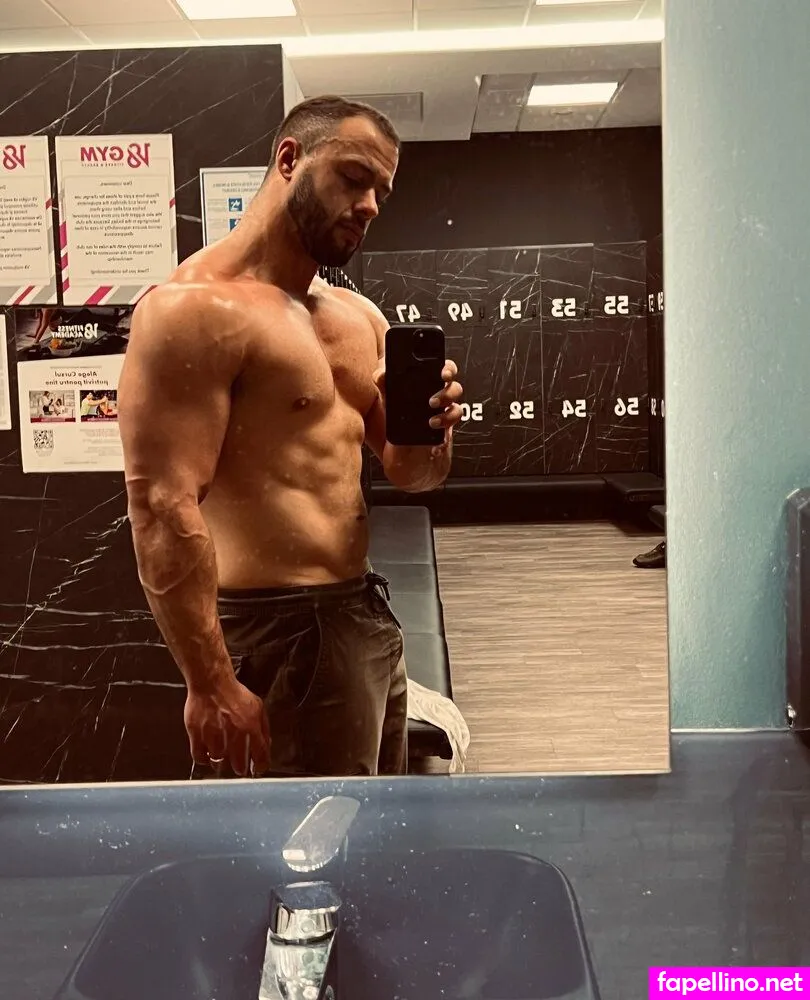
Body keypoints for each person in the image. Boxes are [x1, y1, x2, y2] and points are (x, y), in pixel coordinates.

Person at [118, 96, 464, 781]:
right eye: (355, 178)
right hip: (276, 631)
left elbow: (413, 475)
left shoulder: (359, 317)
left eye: (382, 192)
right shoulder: (191, 311)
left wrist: (436, 428)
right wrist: (211, 683)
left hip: (362, 615)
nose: (369, 206)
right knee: (303, 841)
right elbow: (160, 506)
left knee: (372, 825)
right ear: (289, 159)